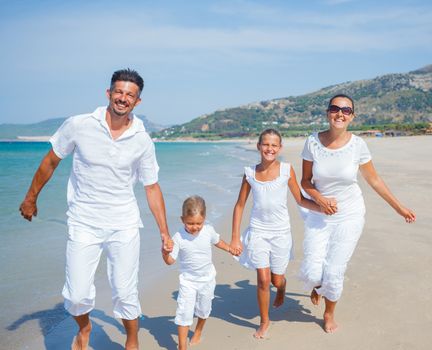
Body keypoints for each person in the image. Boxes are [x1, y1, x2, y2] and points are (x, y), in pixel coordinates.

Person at [19, 69, 172, 350]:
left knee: (126, 292)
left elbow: (152, 187)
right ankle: (85, 327)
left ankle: (132, 340)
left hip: (123, 224)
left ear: (137, 102)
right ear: (108, 93)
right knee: (77, 295)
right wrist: (31, 198)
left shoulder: (142, 140)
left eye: (130, 95)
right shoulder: (79, 125)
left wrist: (165, 232)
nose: (123, 98)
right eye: (119, 92)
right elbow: (51, 161)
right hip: (83, 221)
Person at [299, 94, 416, 333]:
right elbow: (305, 181)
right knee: (312, 273)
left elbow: (373, 180)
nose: (340, 113)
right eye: (335, 108)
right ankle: (319, 286)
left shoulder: (358, 145)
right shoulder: (312, 142)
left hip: (350, 214)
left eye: (346, 110)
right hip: (320, 215)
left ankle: (329, 313)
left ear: (352, 116)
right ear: (327, 112)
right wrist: (320, 199)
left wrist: (399, 207)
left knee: (333, 270)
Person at [229, 129, 321, 339]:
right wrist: (235, 237)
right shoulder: (250, 173)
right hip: (258, 231)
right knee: (262, 279)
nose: (269, 149)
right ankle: (265, 320)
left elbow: (300, 199)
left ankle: (282, 287)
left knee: (276, 279)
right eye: (266, 144)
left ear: (280, 148)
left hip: (281, 233)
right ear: (258, 146)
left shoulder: (286, 171)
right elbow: (239, 205)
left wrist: (322, 207)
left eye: (274, 145)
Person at [162, 196, 232, 350]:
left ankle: (198, 330)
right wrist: (164, 252)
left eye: (198, 223)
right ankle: (182, 347)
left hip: (207, 279)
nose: (195, 227)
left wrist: (229, 248)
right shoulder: (178, 237)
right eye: (190, 223)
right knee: (184, 313)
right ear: (182, 219)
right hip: (188, 282)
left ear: (204, 219)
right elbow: (170, 261)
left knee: (204, 309)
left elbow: (217, 241)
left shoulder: (208, 230)